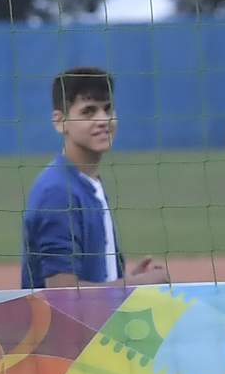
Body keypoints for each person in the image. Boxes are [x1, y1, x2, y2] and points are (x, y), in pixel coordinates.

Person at [20, 66, 166, 290]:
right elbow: (62, 292)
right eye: (88, 111)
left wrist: (122, 277)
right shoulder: (58, 192)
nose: (103, 120)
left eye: (108, 109)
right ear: (60, 122)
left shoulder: (87, 181)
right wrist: (136, 284)